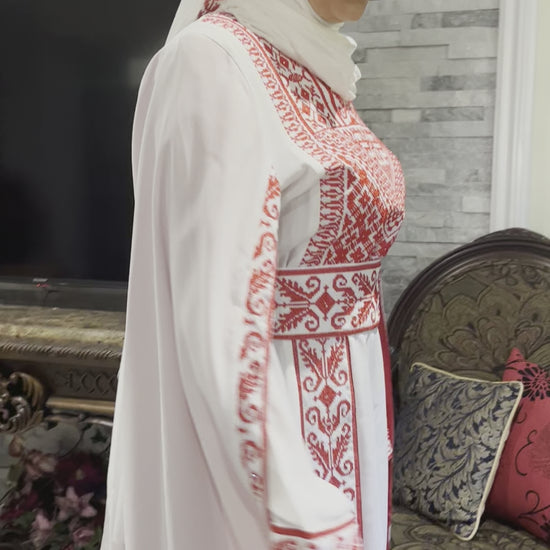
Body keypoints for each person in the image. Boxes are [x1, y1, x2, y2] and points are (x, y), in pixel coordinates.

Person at [101, 0, 405, 549]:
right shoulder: (211, 60)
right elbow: (216, 315)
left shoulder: (319, 64)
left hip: (353, 412)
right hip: (285, 432)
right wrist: (300, 509)